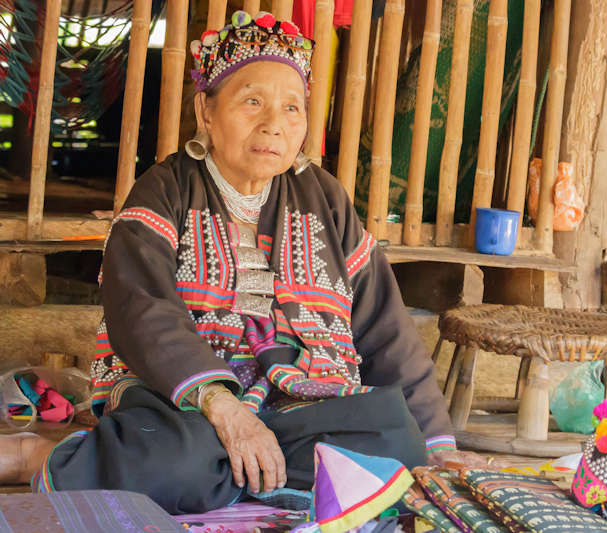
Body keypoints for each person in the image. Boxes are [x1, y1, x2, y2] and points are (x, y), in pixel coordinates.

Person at [0, 11, 486, 514]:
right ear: (206, 112)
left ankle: (232, 475)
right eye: (253, 101)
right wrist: (225, 408)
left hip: (303, 402)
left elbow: (385, 327)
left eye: (292, 108)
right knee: (174, 460)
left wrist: (437, 446)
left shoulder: (325, 198)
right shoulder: (164, 190)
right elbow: (140, 309)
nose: (274, 124)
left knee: (396, 442)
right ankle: (46, 455)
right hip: (189, 407)